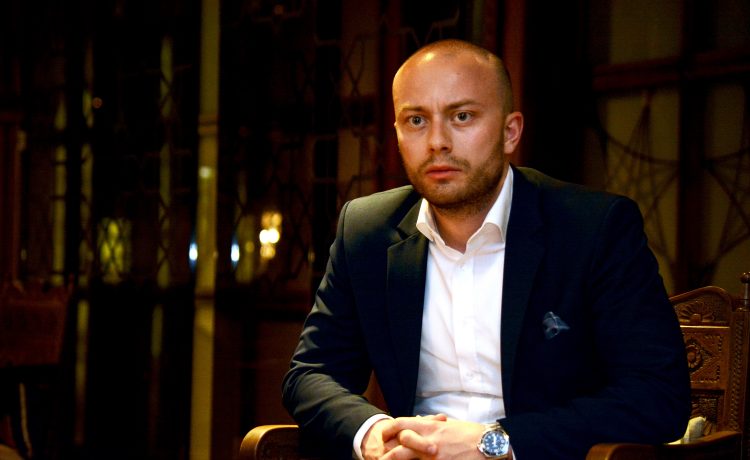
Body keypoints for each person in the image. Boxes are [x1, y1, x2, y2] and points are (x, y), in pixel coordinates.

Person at [282, 38, 691, 459]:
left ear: (510, 132)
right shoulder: (367, 230)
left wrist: (493, 444)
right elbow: (310, 374)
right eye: (416, 120)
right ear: (398, 134)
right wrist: (375, 432)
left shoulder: (593, 228)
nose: (437, 141)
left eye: (462, 116)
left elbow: (658, 396)